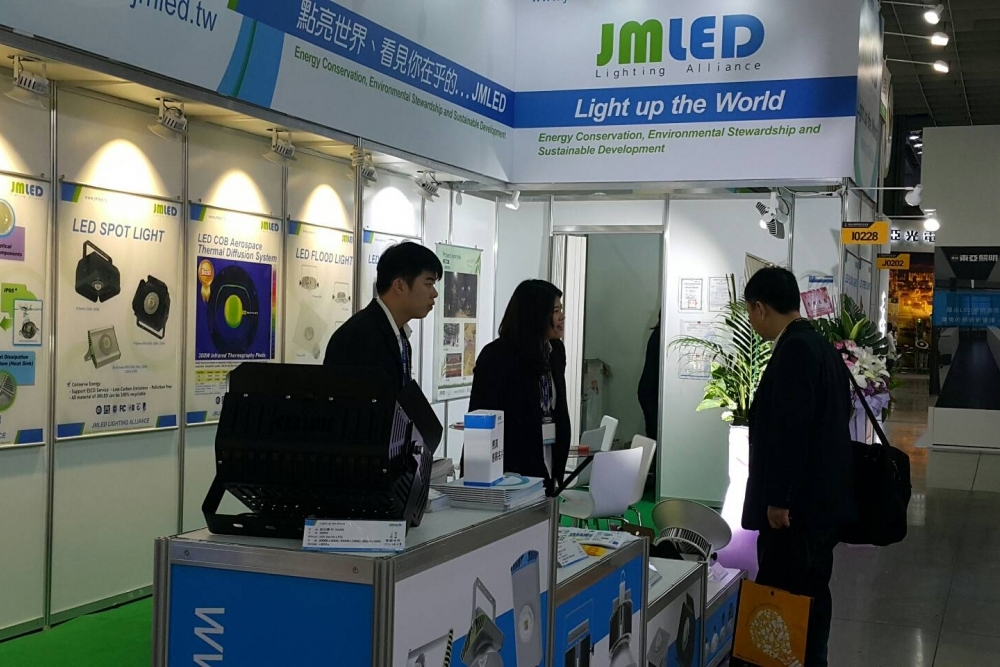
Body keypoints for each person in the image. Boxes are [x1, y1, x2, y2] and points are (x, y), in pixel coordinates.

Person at [742, 267, 856, 667]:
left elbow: (790, 431)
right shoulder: (819, 345)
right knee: (812, 591)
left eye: (750, 312)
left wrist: (779, 499)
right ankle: (811, 659)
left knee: (784, 593)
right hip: (821, 503)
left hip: (796, 511)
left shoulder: (794, 351)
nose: (751, 321)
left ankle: (787, 660)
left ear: (760, 308)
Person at [469, 280, 570, 490]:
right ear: (535, 314)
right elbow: (482, 417)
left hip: (550, 459)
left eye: (561, 310)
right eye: (555, 311)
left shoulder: (555, 352)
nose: (562, 317)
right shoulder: (497, 356)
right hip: (512, 471)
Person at [324, 242, 441, 393]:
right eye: (428, 284)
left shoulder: (400, 336)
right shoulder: (357, 338)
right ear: (399, 286)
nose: (434, 293)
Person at [637, 312, 661, 440]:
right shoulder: (661, 336)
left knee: (654, 435)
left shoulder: (658, 334)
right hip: (651, 394)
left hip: (649, 393)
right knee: (656, 437)